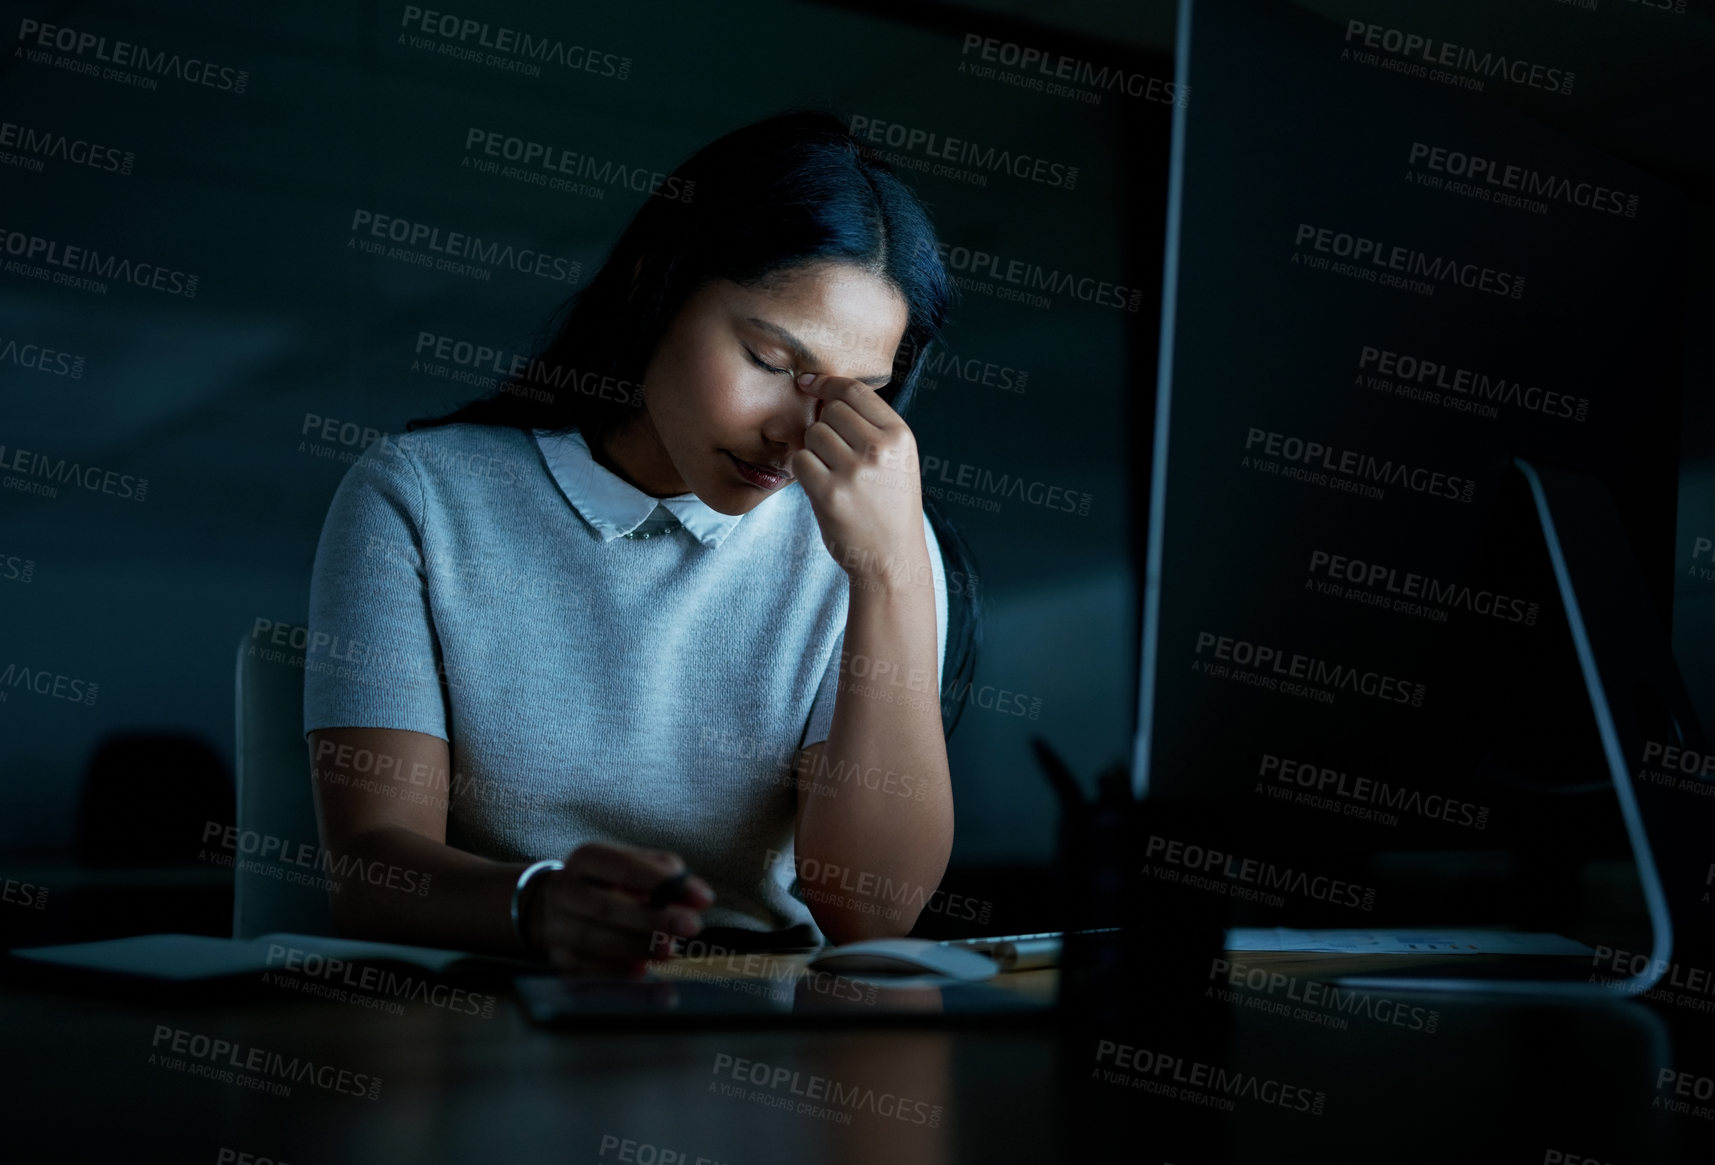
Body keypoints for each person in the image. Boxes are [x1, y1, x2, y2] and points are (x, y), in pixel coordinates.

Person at [302, 109, 980, 975]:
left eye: (855, 394)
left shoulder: (866, 535)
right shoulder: (421, 496)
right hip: (502, 1000)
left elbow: (870, 912)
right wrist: (539, 906)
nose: (796, 431)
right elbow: (369, 867)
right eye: (771, 362)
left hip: (764, 1023)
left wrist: (890, 572)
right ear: (654, 294)